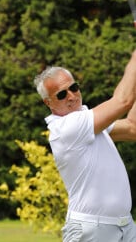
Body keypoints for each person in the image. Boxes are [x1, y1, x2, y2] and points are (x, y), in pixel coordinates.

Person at [33, 50, 136, 242]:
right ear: (48, 103)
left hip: (126, 226)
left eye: (74, 87)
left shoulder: (87, 121)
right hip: (92, 230)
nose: (71, 96)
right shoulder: (67, 127)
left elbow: (132, 128)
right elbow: (123, 101)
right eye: (62, 94)